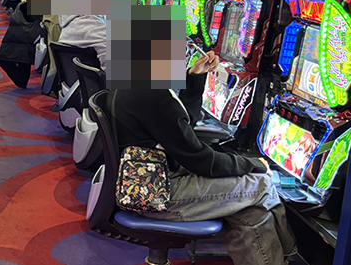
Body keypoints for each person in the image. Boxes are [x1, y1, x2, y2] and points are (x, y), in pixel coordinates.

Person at [108, 50, 296, 265]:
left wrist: (195, 77)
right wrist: (254, 164)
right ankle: (289, 252)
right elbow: (200, 160)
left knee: (249, 210)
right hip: (157, 194)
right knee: (262, 184)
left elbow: (182, 125)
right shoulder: (154, 94)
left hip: (142, 181)